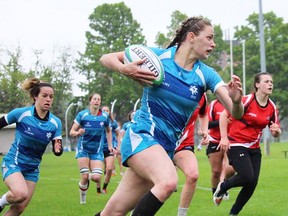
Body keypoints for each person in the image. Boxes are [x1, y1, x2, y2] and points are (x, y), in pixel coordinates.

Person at [95, 16, 244, 216]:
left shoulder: (206, 75)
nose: (213, 44)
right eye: (209, 38)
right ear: (191, 37)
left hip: (164, 149)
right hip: (142, 135)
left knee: (112, 212)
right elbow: (106, 57)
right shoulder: (158, 58)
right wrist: (124, 69)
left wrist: (236, 101)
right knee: (168, 182)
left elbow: (237, 113)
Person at [213, 72, 281, 216]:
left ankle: (233, 213)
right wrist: (224, 138)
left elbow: (275, 131)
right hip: (236, 144)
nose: (270, 84)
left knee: (252, 184)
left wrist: (276, 132)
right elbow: (225, 115)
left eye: (271, 82)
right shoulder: (247, 100)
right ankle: (223, 186)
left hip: (254, 148)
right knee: (246, 177)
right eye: (266, 81)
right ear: (257, 85)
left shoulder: (272, 107)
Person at [0, 78, 63, 214]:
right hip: (14, 162)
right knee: (20, 194)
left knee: (19, 208)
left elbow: (58, 147)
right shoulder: (21, 113)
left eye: (51, 97)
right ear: (35, 97)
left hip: (32, 169)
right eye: (44, 96)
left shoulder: (55, 123)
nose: (48, 100)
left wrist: (58, 149)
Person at [69, 93, 113, 204]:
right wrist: (78, 132)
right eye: (94, 99)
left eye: (99, 99)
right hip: (83, 149)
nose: (97, 101)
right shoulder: (82, 115)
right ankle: (82, 201)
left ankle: (87, 176)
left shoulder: (104, 116)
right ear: (90, 101)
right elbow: (71, 131)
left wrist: (110, 145)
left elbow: (109, 131)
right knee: (84, 176)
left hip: (97, 151)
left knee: (97, 177)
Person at [173, 94, 209, 216]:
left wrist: (205, 131)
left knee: (193, 175)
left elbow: (203, 114)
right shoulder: (167, 83)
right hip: (159, 142)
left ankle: (181, 214)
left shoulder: (200, 94)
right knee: (152, 183)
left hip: (183, 144)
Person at [207, 99, 235, 200]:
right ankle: (216, 193)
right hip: (215, 140)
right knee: (216, 171)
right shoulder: (214, 104)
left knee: (231, 169)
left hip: (232, 140)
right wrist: (222, 121)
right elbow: (207, 124)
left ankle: (223, 187)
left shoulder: (235, 104)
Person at [101, 105, 121, 194]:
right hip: (99, 148)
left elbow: (118, 134)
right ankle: (97, 187)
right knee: (99, 170)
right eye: (104, 110)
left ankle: (104, 187)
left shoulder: (113, 122)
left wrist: (118, 145)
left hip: (110, 148)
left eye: (107, 110)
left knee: (109, 168)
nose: (105, 112)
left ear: (109, 112)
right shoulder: (98, 121)